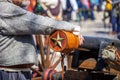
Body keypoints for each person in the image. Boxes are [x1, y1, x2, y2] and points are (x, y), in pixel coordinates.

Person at [0, 0, 83, 80]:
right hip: (9, 73)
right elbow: (36, 23)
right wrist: (72, 28)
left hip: (15, 71)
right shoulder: (5, 8)